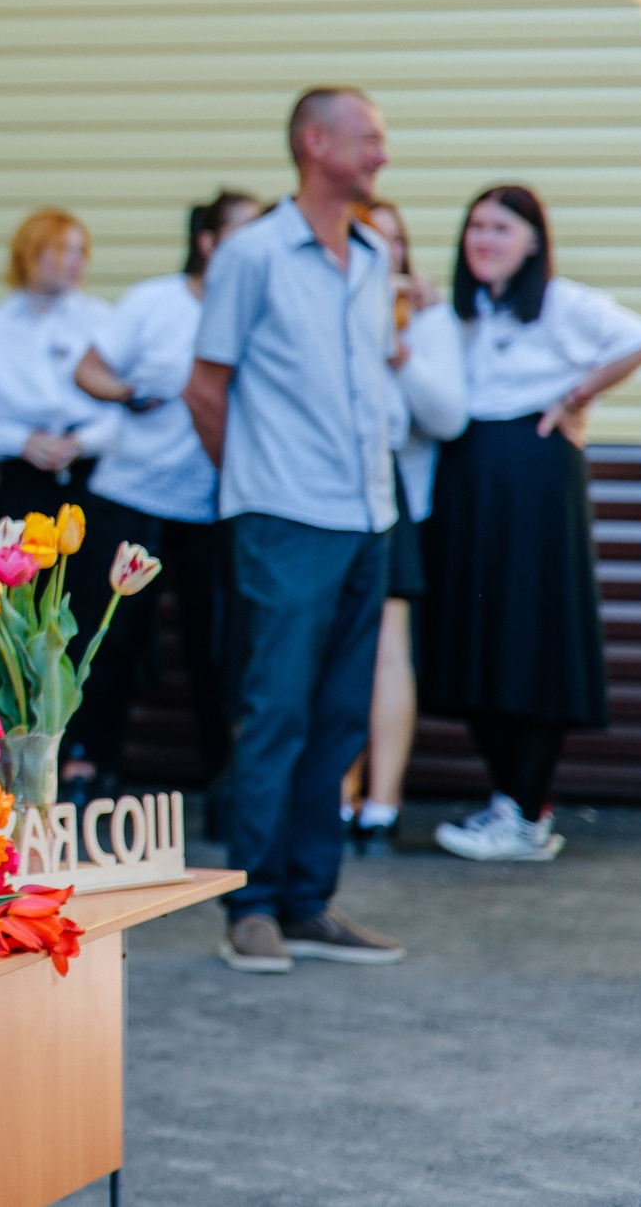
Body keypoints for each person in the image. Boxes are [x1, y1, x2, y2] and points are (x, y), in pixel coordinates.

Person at [184, 87, 407, 975]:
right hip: (283, 517)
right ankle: (251, 905)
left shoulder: (374, 253)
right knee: (275, 710)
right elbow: (206, 389)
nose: (382, 154)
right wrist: (254, 485)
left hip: (368, 516)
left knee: (341, 717)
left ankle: (309, 900)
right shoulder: (252, 253)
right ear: (316, 143)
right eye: (369, 138)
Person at [424, 186, 641, 862]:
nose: (485, 239)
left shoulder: (562, 302)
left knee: (531, 635)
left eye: (502, 227)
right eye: (476, 226)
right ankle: (511, 801)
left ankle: (526, 813)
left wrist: (577, 395)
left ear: (531, 241)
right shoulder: (459, 313)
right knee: (476, 639)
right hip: (468, 482)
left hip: (534, 483)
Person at [71, 191, 262, 802]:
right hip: (131, 494)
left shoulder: (260, 308)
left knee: (217, 645)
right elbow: (88, 370)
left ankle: (226, 783)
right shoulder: (154, 301)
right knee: (110, 637)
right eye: (242, 232)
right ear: (207, 242)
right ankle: (89, 766)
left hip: (216, 504)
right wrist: (127, 391)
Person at [0, 208, 121, 792]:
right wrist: (22, 441)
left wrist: (81, 441)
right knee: (11, 614)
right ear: (30, 254)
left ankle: (84, 750)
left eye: (81, 251)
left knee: (90, 612)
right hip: (25, 484)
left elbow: (130, 408)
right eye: (61, 250)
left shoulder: (103, 321)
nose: (74, 262)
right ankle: (8, 751)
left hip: (91, 480)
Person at [344, 198, 466, 851]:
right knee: (330, 644)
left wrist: (399, 351)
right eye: (370, 238)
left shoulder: (425, 317)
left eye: (394, 240)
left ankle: (382, 802)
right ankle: (337, 791)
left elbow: (446, 417)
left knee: (389, 647)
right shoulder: (325, 304)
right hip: (317, 478)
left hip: (386, 486)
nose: (384, 252)